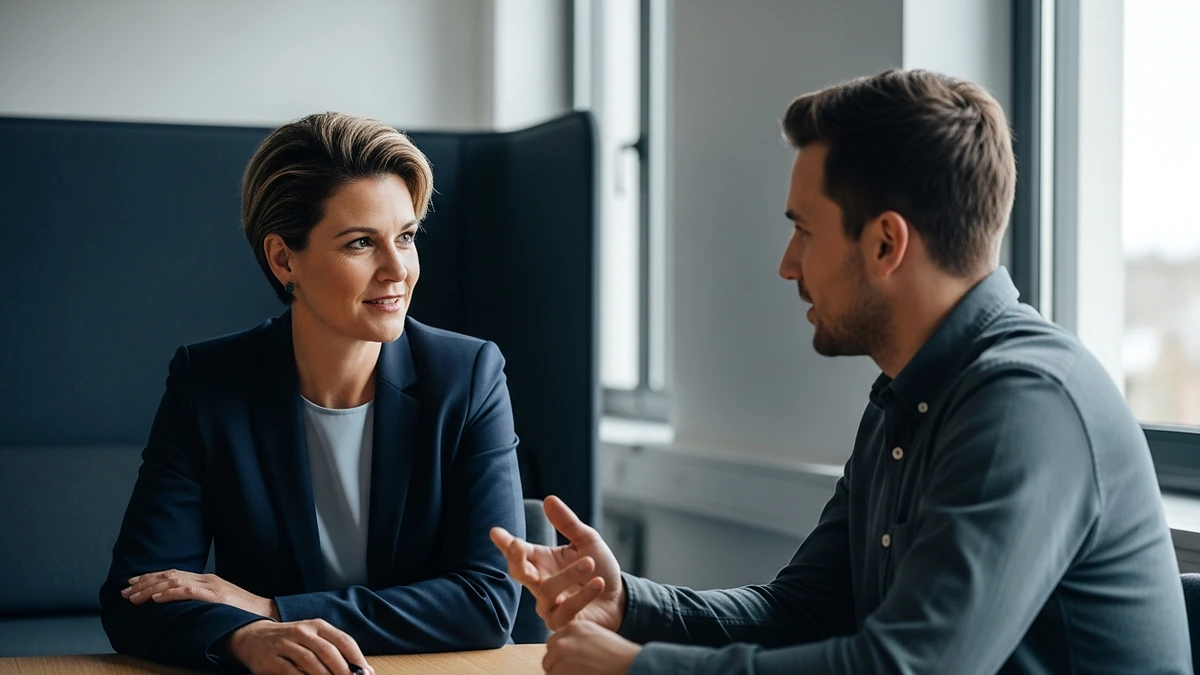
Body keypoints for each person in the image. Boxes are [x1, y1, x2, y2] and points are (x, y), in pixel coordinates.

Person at [491, 69, 1192, 674]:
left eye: (804, 229)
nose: (787, 264)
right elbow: (801, 610)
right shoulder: (904, 395)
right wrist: (630, 605)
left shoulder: (1026, 405)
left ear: (886, 242)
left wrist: (643, 668)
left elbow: (904, 665)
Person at [100, 112, 525, 675]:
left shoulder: (468, 375)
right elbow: (137, 598)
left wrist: (268, 610)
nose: (397, 269)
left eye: (406, 237)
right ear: (283, 259)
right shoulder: (208, 383)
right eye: (359, 243)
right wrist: (245, 640)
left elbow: (487, 602)